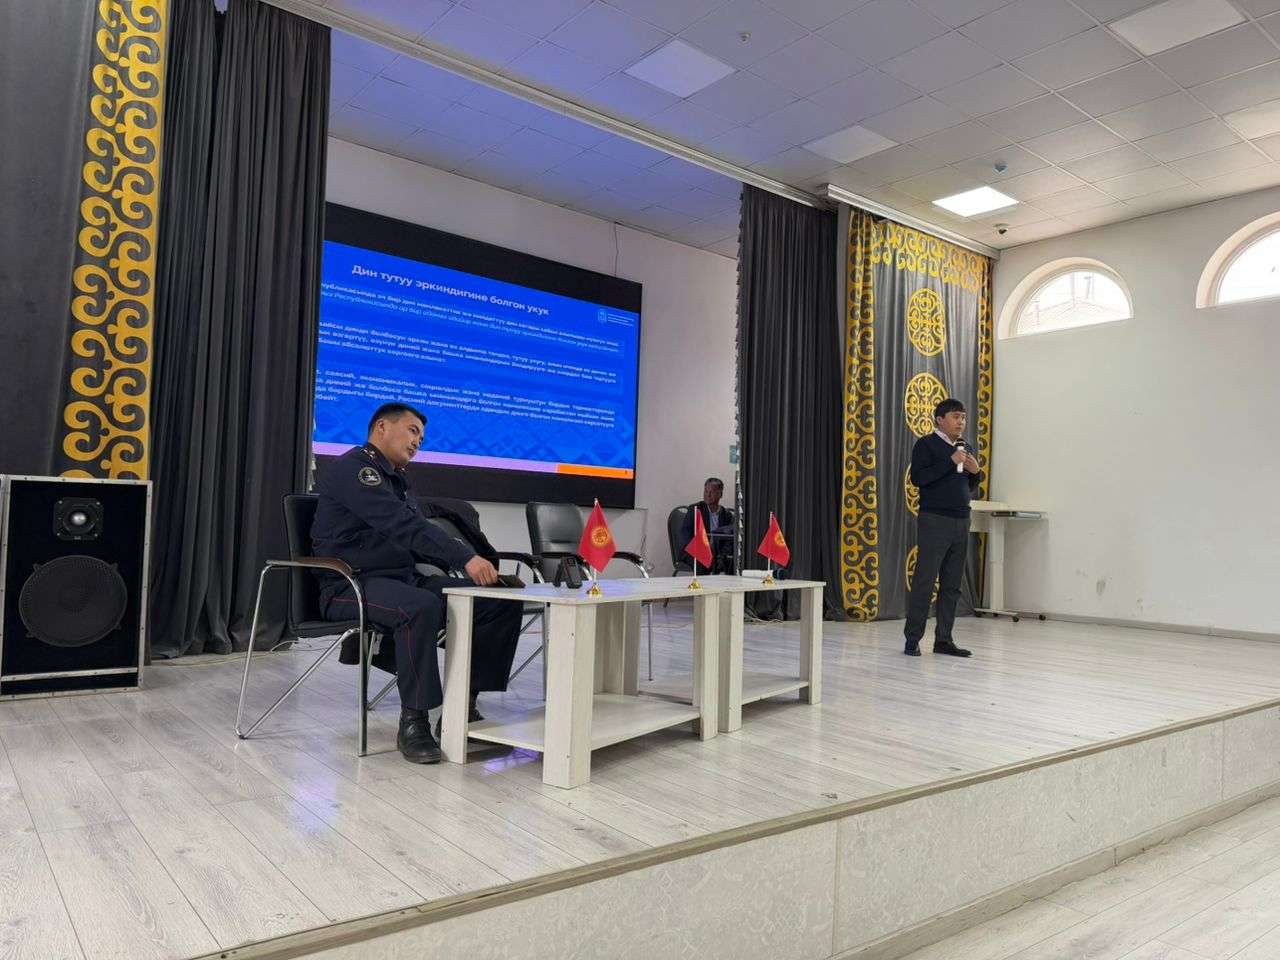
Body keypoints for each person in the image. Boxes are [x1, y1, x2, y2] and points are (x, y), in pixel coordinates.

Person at [310, 402, 521, 763]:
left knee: (495, 600)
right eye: (412, 431)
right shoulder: (356, 469)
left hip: (401, 580)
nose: (417, 442)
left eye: (421, 438)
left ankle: (463, 710)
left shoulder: (398, 479)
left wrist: (474, 568)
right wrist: (464, 558)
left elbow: (419, 533)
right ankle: (414, 722)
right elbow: (403, 525)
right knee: (419, 607)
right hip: (350, 585)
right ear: (381, 427)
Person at [904, 398, 983, 658]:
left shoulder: (965, 447)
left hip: (961, 519)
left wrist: (976, 472)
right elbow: (919, 478)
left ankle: (944, 640)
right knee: (925, 580)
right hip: (935, 519)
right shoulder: (926, 444)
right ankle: (913, 639)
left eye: (963, 417)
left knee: (952, 584)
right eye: (955, 416)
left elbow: (967, 486)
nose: (961, 422)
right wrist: (950, 461)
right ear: (940, 419)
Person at [681, 477, 736, 574]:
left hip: (717, 552)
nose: (708, 495)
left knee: (731, 561)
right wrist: (701, 549)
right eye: (706, 491)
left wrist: (723, 554)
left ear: (720, 494)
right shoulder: (695, 509)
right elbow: (686, 533)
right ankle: (702, 584)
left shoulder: (727, 515)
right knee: (701, 561)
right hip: (695, 550)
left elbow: (729, 539)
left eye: (712, 492)